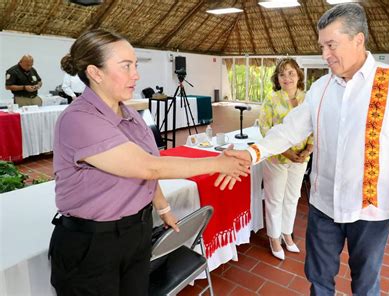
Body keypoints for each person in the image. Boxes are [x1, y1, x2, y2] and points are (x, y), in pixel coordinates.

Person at [218, 3, 389, 295]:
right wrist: (251, 153)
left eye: (331, 45)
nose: (324, 55)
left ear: (358, 39)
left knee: (366, 284)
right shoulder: (321, 88)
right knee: (318, 279)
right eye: (322, 46)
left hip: (371, 210)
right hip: (323, 206)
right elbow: (289, 129)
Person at [49, 28, 249, 296]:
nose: (136, 75)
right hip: (93, 243)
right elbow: (147, 166)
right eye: (126, 66)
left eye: (135, 65)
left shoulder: (130, 115)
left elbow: (147, 169)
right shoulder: (78, 119)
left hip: (136, 232)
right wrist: (218, 163)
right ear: (95, 72)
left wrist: (163, 209)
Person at [260, 58, 313, 260]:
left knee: (292, 198)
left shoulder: (308, 99)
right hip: (276, 159)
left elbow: (315, 124)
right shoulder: (271, 99)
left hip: (300, 159)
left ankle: (287, 234)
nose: (287, 78)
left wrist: (309, 148)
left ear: (299, 75)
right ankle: (274, 238)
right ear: (277, 78)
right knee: (275, 199)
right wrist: (284, 151)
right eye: (282, 74)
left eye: (291, 73)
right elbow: (264, 129)